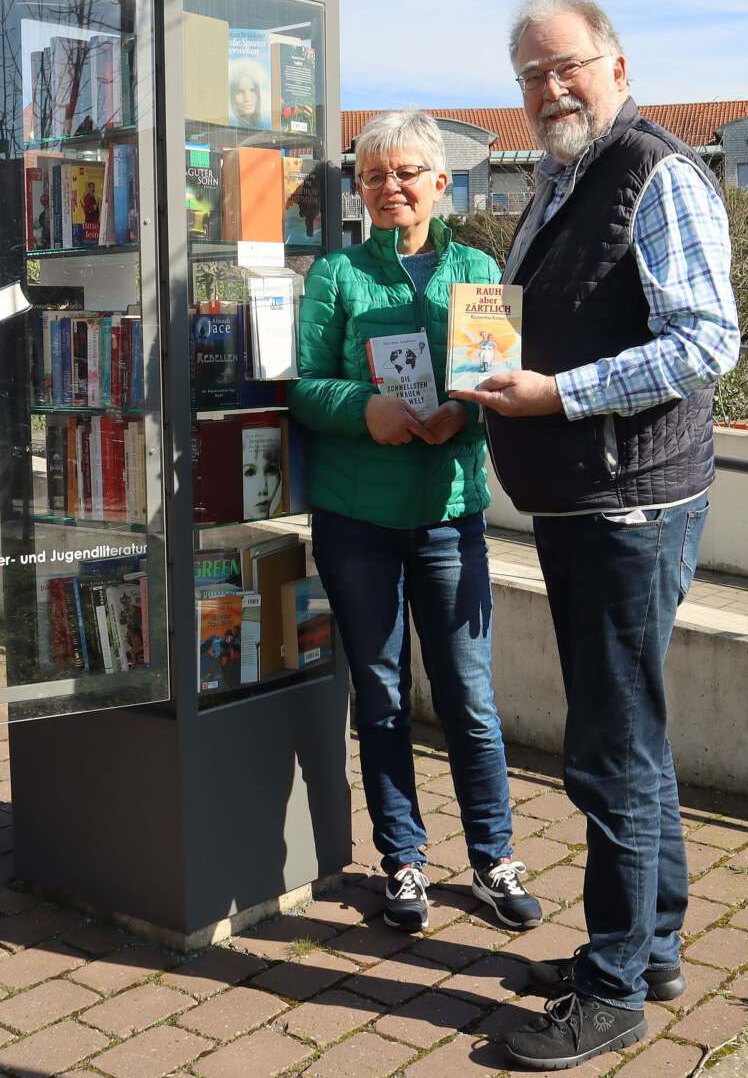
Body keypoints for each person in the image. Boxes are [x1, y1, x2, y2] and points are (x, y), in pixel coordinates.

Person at [454, 0, 739, 1071]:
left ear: (615, 63)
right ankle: (648, 951)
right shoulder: (561, 177)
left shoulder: (656, 172)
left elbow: (708, 342)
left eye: (565, 65)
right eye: (529, 76)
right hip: (588, 501)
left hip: (631, 504)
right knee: (633, 740)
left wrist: (558, 396)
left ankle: (615, 987)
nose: (548, 89)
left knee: (609, 752)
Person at [288, 109, 543, 936]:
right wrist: (368, 411)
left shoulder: (475, 267)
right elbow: (306, 386)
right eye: (373, 175)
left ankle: (494, 855)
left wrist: (461, 420)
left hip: (446, 517)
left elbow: (497, 382)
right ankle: (403, 860)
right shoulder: (336, 275)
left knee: (469, 695)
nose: (389, 187)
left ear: (440, 182)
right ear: (359, 188)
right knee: (384, 694)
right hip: (356, 518)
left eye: (405, 174)